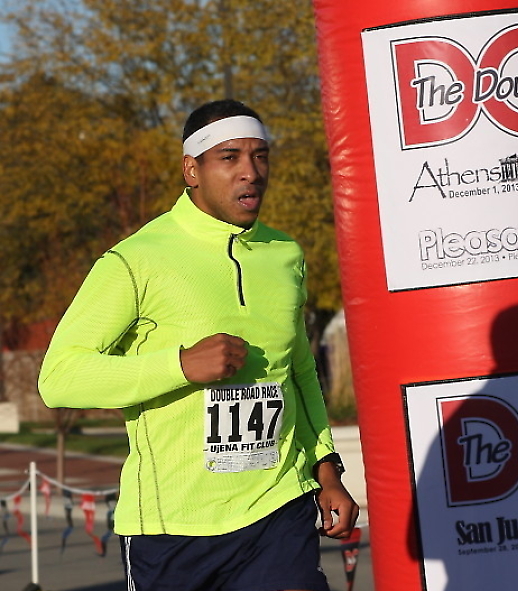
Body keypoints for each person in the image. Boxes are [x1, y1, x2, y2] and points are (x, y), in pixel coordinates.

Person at [38, 99, 359, 591]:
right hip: (173, 528)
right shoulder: (135, 260)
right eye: (230, 157)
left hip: (277, 507)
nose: (251, 172)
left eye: (260, 156)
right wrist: (181, 365)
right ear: (192, 170)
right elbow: (59, 378)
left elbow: (297, 370)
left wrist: (326, 467)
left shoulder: (285, 254)